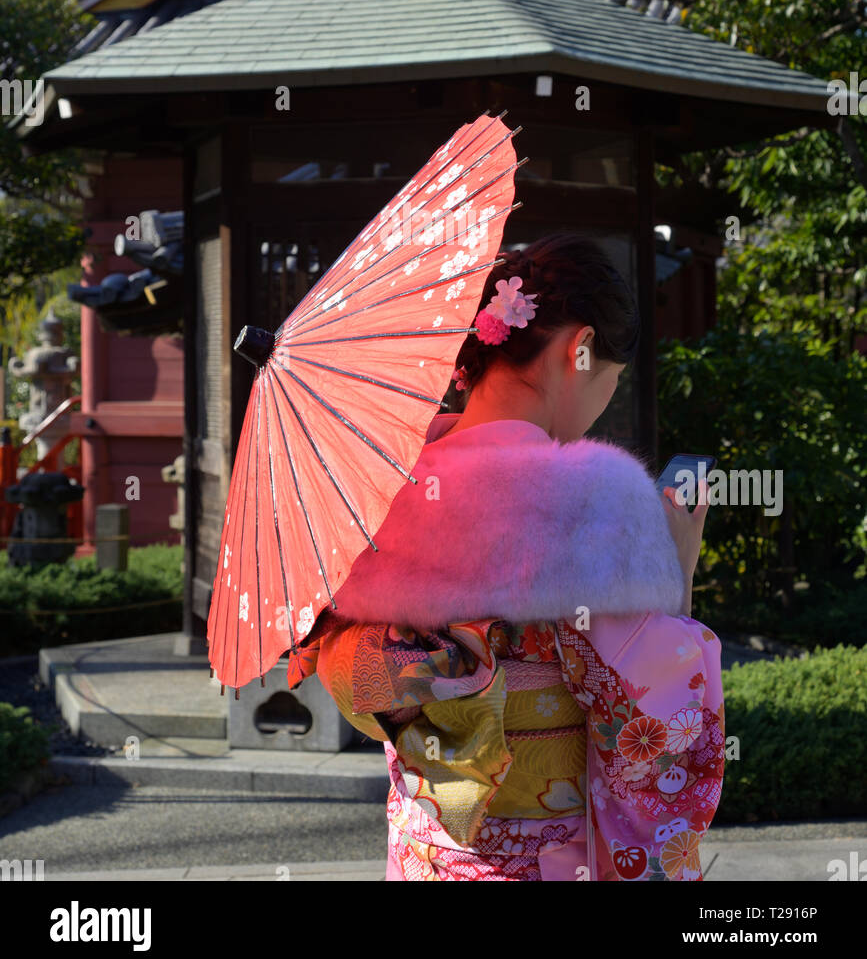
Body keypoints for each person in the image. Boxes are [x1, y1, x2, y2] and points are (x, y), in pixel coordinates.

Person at [288, 232, 725, 881]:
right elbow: (656, 696)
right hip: (554, 858)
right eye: (607, 378)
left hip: (428, 848)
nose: (602, 398)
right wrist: (678, 568)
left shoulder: (378, 481)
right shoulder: (601, 493)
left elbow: (363, 675)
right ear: (578, 352)